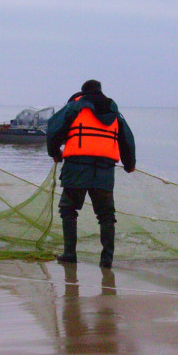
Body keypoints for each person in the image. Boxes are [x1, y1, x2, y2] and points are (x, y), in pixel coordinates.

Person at [46, 79, 136, 268]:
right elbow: (127, 139)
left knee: (69, 210)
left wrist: (55, 153)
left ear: (82, 92)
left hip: (76, 168)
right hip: (104, 171)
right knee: (106, 216)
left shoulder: (75, 107)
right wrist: (129, 164)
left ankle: (70, 255)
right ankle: (106, 260)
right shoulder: (114, 112)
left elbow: (54, 129)